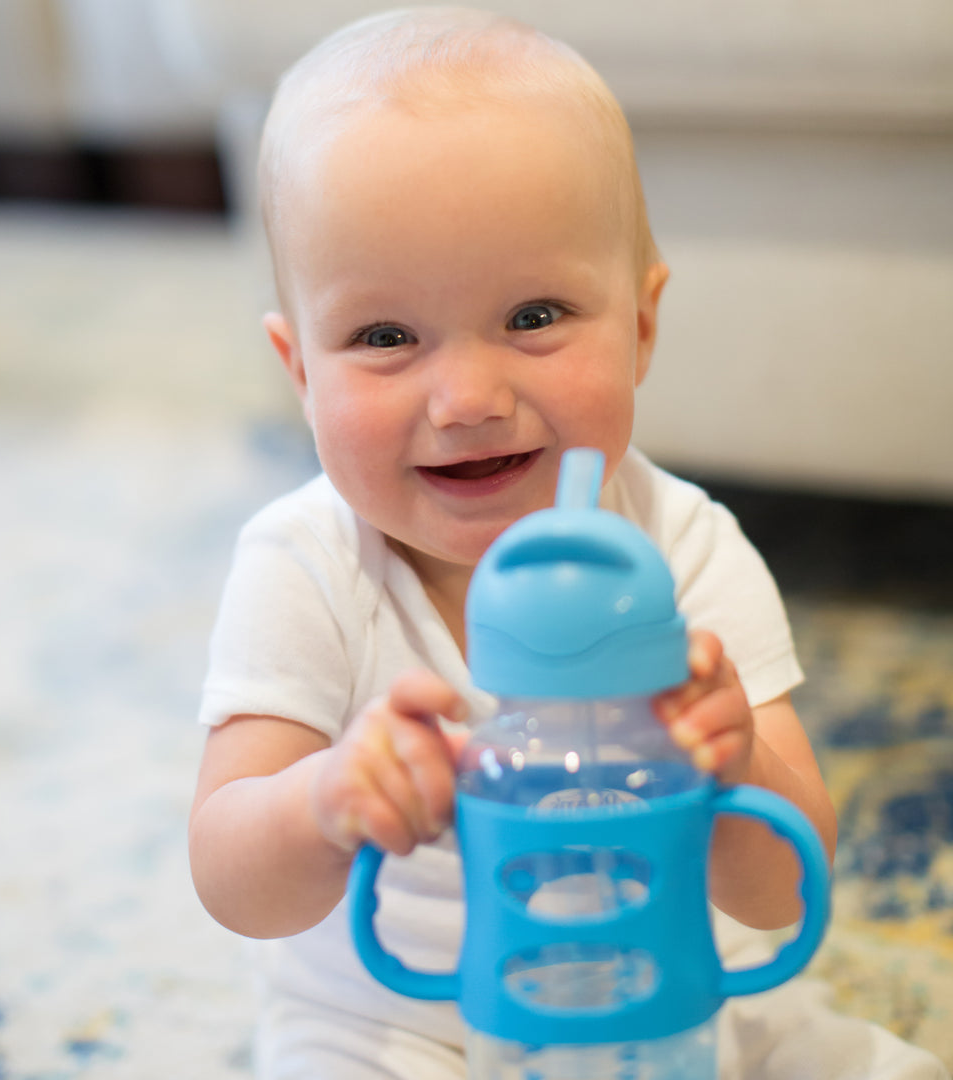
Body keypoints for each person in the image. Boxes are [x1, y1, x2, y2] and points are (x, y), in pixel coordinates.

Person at [189, 8, 947, 1078]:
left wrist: (735, 758)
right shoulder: (304, 563)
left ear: (640, 328)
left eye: (535, 316)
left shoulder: (685, 547)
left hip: (679, 998)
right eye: (386, 338)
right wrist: (324, 802)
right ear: (298, 368)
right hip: (395, 1026)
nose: (468, 397)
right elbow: (230, 878)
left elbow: (786, 885)